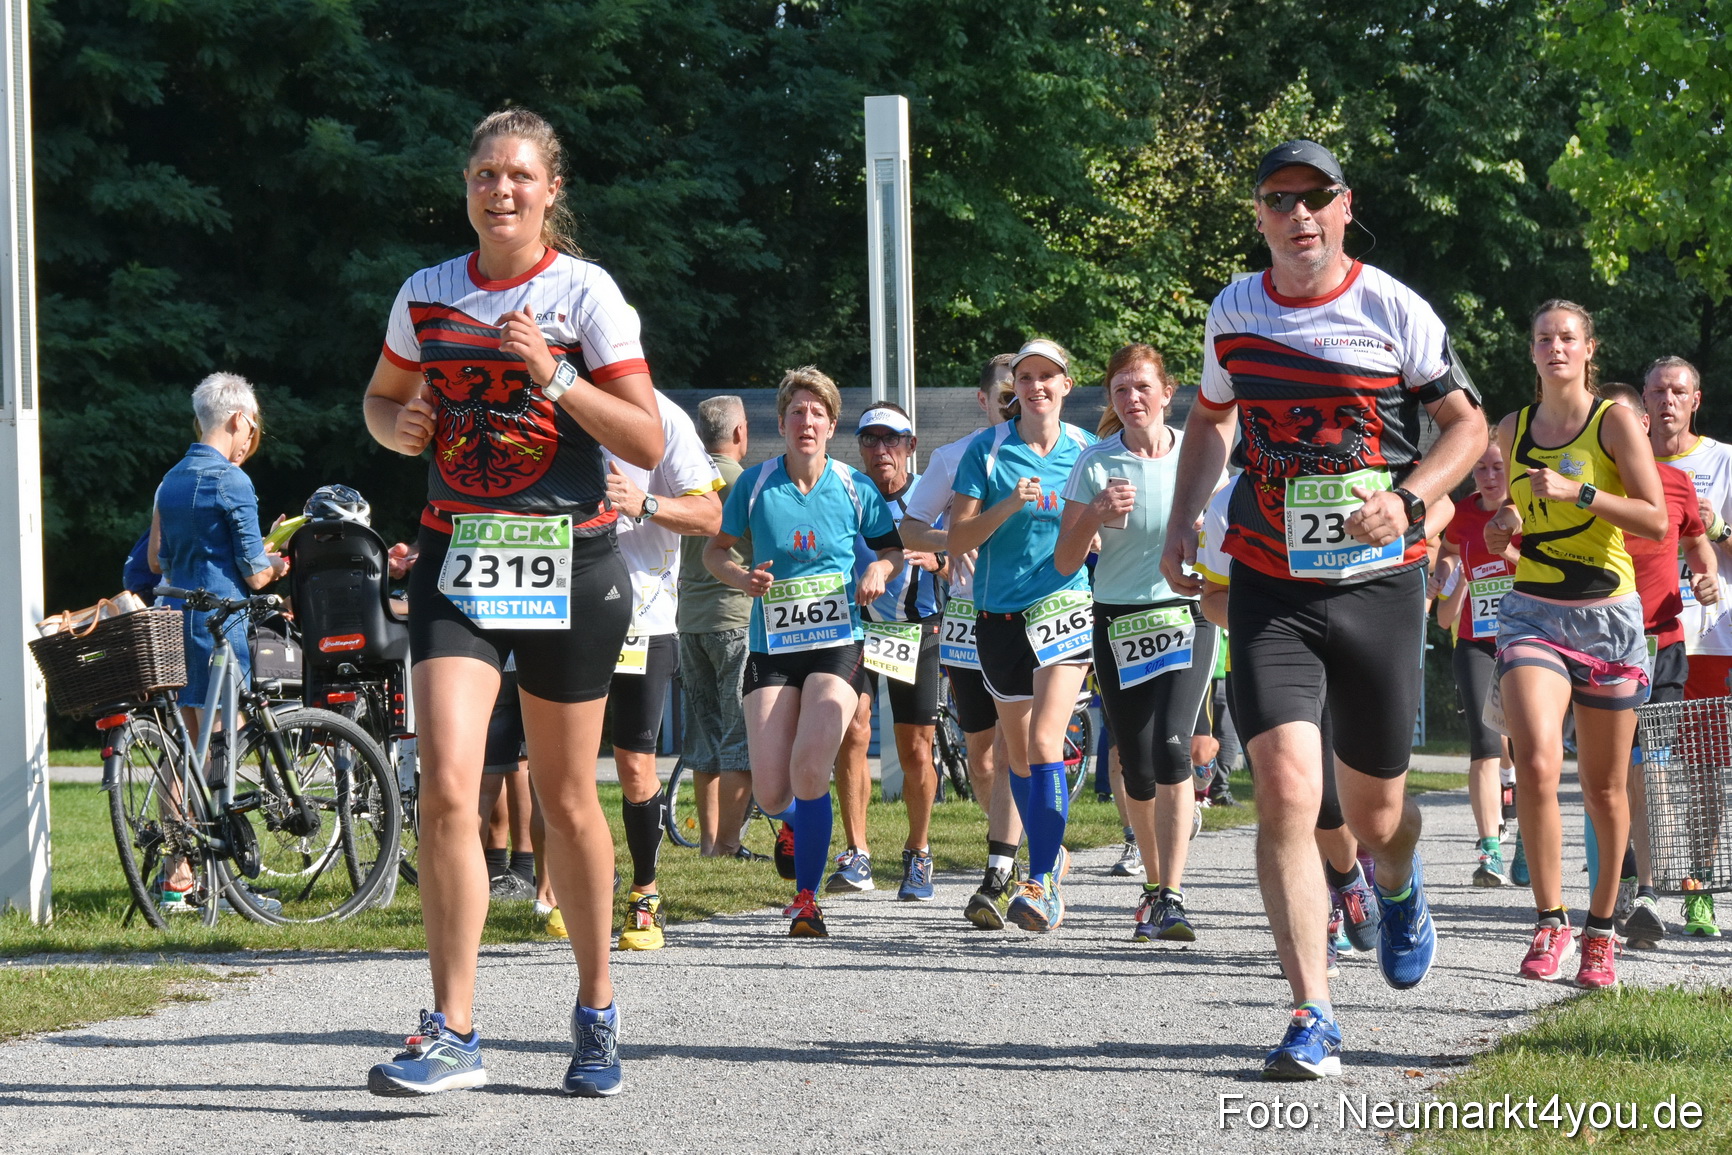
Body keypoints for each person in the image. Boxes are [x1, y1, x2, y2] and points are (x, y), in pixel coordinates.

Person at [1160, 140, 1486, 1081]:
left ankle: (1397, 884)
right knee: (1288, 795)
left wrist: (1413, 499)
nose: (1298, 215)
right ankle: (1312, 1012)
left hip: (1379, 578)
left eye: (1316, 198)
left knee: (1377, 814)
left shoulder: (1391, 306)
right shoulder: (1235, 308)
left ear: (1345, 207)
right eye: (1278, 199)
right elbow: (1214, 416)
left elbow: (1465, 424)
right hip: (1271, 578)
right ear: (1259, 215)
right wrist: (1188, 514)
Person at [360, 108, 664, 1098]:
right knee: (448, 784)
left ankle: (597, 1006)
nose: (501, 190)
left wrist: (556, 373)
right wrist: (398, 424)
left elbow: (648, 440)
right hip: (457, 554)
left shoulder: (585, 293)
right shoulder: (427, 293)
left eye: (520, 176)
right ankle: (452, 1027)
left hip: (571, 564)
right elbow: (380, 402)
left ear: (550, 191)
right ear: (466, 186)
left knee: (567, 799)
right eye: (486, 174)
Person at [1484, 300, 1667, 990]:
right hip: (1533, 611)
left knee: (1604, 785)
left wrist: (1581, 489)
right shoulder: (1513, 426)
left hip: (1608, 620)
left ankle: (1599, 931)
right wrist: (1504, 524)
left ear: (1589, 348)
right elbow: (1512, 515)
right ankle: (1549, 917)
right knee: (1532, 758)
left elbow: (1653, 519)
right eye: (1543, 338)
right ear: (1531, 351)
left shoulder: (1614, 420)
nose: (1555, 347)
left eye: (1567, 338)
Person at [703, 367, 903, 937]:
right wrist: (741, 578)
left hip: (838, 642)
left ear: (832, 425)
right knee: (772, 790)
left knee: (811, 767)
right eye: (797, 413)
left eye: (817, 413)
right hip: (774, 643)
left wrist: (877, 571)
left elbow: (893, 549)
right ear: (782, 423)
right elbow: (716, 554)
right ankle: (800, 823)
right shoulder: (756, 484)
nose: (806, 422)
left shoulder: (853, 486)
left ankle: (807, 900)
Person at [1055, 343, 1218, 942]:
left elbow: (1232, 530)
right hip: (1118, 619)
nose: (1132, 400)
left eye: (1143, 387)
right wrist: (1093, 515)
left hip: (1187, 614)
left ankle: (1172, 893)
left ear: (1168, 392)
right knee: (1137, 760)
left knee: (1174, 747)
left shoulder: (1201, 458)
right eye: (1121, 390)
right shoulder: (1096, 463)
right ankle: (1153, 887)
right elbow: (1064, 560)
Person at [948, 337, 1096, 933]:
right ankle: (1047, 851)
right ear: (1016, 388)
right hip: (999, 617)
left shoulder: (1089, 450)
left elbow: (1113, 520)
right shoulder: (985, 453)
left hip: (1063, 605)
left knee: (1042, 742)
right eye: (1026, 377)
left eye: (1048, 377)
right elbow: (958, 540)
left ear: (1065, 386)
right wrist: (1008, 505)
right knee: (1017, 759)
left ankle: (1042, 882)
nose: (1036, 386)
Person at [148, 372, 289, 911]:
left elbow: (158, 560)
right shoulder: (233, 482)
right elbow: (253, 574)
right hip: (217, 627)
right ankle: (223, 882)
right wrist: (277, 558)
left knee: (182, 751)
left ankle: (176, 877)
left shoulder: (171, 479)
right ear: (238, 420)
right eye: (252, 428)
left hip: (170, 620)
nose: (251, 440)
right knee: (224, 752)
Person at [900, 357, 1025, 929]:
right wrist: (952, 541)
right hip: (967, 618)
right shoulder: (956, 458)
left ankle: (1016, 856)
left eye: (1020, 388)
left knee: (1022, 744)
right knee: (981, 757)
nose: (1013, 400)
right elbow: (911, 526)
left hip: (1030, 614)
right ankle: (1015, 839)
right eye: (1003, 392)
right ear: (984, 400)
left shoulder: (1058, 448)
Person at [1598, 381, 1719, 948]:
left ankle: (1646, 891)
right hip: (1598, 644)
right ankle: (1620, 878)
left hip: (1662, 643)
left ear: (1643, 427)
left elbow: (1697, 543)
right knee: (1609, 776)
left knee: (1652, 768)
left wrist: (1705, 572)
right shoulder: (1589, 487)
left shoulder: (1676, 484)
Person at [601, 391, 723, 950]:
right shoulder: (549, 401)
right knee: (553, 764)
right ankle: (556, 891)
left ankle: (645, 894)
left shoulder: (662, 417)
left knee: (633, 764)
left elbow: (708, 514)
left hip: (640, 618)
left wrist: (643, 502)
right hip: (556, 608)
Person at [824, 403, 946, 901]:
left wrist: (937, 558)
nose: (881, 451)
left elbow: (965, 547)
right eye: (870, 441)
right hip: (856, 628)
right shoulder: (849, 492)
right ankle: (857, 852)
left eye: (891, 440)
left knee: (915, 746)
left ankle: (918, 852)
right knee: (852, 732)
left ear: (910, 446)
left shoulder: (930, 496)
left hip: (916, 630)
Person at [1643, 355, 1732, 937]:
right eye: (1658, 391)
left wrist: (1716, 531)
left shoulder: (1722, 460)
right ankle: (1640, 884)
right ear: (1644, 400)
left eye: (1679, 391)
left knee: (1704, 768)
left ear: (1695, 400)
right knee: (1641, 763)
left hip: (1712, 631)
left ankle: (1699, 883)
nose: (1668, 400)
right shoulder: (1626, 457)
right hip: (1638, 626)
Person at [1433, 442, 1519, 885]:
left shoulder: (1529, 511)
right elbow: (1447, 550)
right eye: (1480, 467)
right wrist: (1447, 571)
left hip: (1529, 642)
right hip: (1475, 642)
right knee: (1485, 744)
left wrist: (1508, 557)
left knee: (1528, 746)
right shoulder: (1462, 513)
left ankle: (1526, 839)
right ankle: (1490, 850)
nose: (1488, 475)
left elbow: (1549, 570)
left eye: (1498, 466)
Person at [677, 396, 755, 858]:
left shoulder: (686, 478)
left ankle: (707, 841)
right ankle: (728, 843)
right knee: (737, 735)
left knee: (702, 738)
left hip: (690, 619)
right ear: (740, 433)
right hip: (734, 616)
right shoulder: (743, 482)